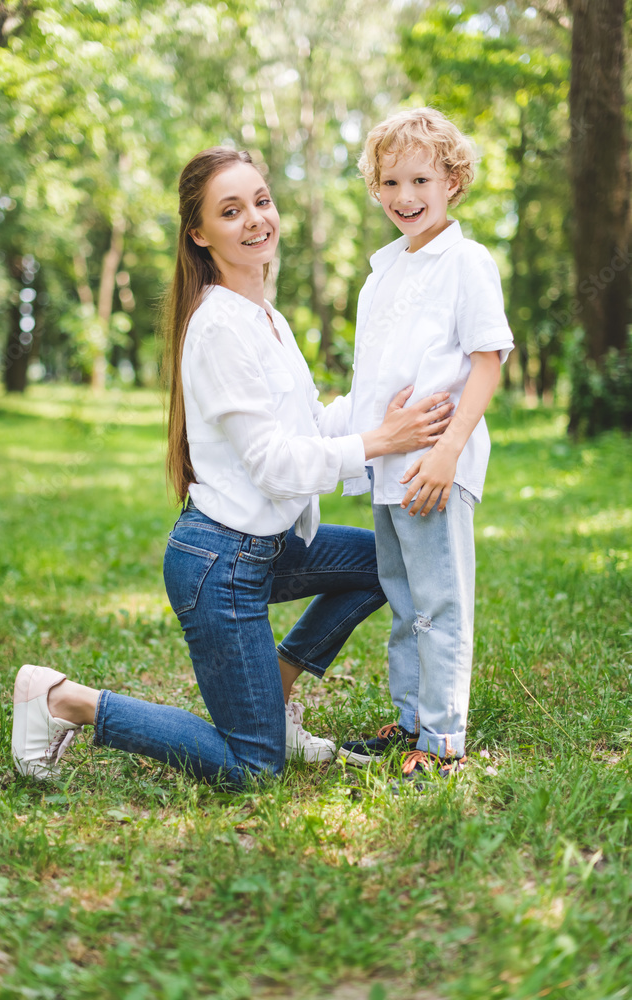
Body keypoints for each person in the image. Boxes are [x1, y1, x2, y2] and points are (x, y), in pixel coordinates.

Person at [11, 146, 454, 789]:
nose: (255, 219)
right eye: (231, 210)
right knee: (252, 767)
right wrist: (380, 442)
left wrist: (376, 416)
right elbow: (276, 465)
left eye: (261, 201)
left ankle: (273, 693)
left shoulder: (266, 319)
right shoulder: (218, 326)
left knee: (386, 564)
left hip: (267, 548)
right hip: (220, 566)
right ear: (199, 233)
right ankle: (64, 700)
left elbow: (305, 430)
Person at [338, 108, 514, 788]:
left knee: (440, 600)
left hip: (436, 464)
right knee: (403, 598)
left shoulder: (465, 261)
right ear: (375, 188)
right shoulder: (382, 272)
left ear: (452, 181)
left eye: (420, 179)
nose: (404, 196)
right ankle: (410, 720)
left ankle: (442, 739)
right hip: (390, 464)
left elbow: (487, 360)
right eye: (390, 182)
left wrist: (447, 453)